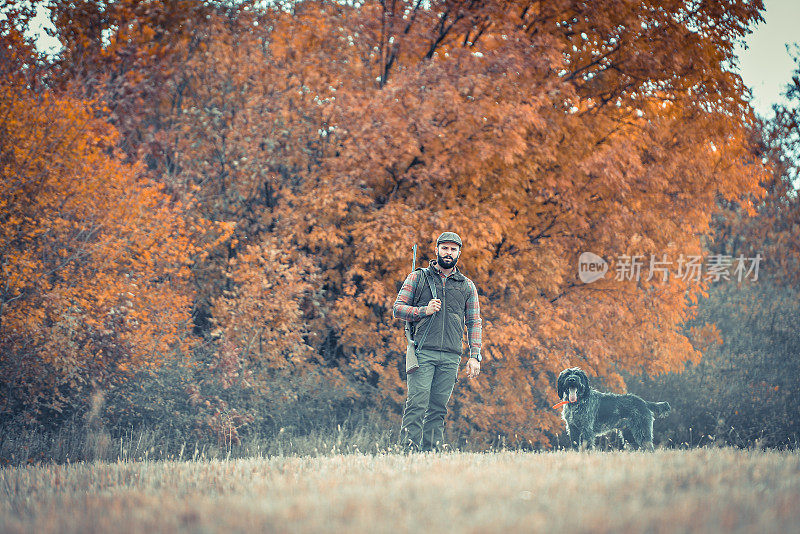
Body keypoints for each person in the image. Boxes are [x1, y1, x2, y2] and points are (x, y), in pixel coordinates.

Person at [393, 231, 483, 451]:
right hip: (423, 352)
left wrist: (474, 356)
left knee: (438, 409)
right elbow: (398, 309)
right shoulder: (418, 277)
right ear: (436, 250)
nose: (448, 253)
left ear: (459, 253)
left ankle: (430, 453)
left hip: (452, 355)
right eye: (445, 248)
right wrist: (424, 310)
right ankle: (408, 452)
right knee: (416, 404)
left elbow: (474, 322)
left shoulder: (467, 286)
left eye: (453, 249)